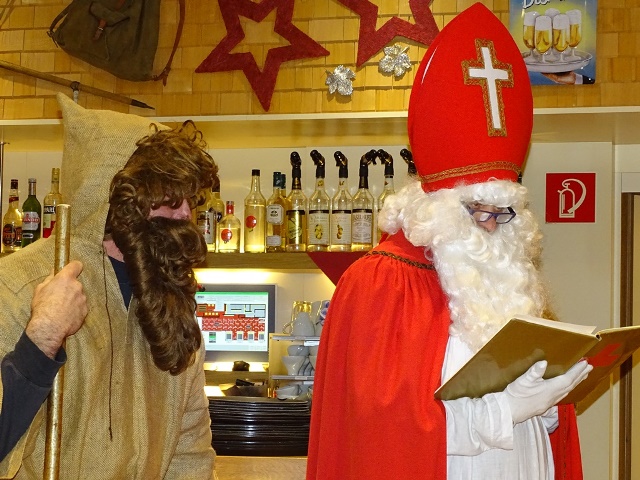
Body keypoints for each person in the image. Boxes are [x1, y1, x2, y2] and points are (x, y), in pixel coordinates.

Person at [307, 4, 592, 480]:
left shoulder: (514, 286)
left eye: (503, 214)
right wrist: (507, 411)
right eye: (478, 211)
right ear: (438, 205)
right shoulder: (380, 283)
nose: (491, 228)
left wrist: (546, 408)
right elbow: (383, 435)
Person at [0, 94, 219, 479]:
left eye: (188, 197)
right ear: (115, 196)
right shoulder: (16, 285)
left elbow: (190, 451)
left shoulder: (169, 302)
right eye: (167, 195)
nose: (186, 212)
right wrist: (42, 337)